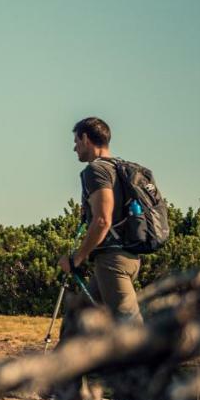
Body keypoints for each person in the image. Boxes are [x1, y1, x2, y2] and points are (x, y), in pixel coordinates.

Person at [57, 116, 142, 325]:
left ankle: (153, 357)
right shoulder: (122, 168)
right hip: (130, 256)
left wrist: (77, 258)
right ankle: (67, 356)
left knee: (130, 327)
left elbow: (103, 220)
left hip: (112, 261)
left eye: (76, 142)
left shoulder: (96, 171)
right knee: (78, 319)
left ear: (86, 138)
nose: (74, 148)